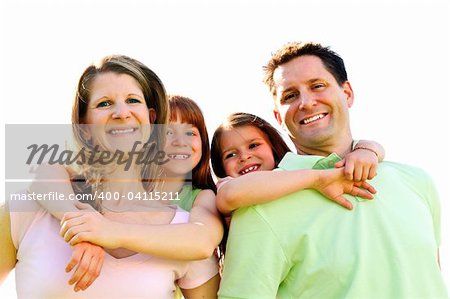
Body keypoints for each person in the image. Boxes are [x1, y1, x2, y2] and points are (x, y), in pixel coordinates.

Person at [217, 42, 448, 298]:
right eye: (290, 95)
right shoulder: (259, 206)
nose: (306, 102)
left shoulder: (416, 182)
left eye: (317, 86)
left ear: (347, 93)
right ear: (279, 117)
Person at [0, 56, 220, 299]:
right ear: (85, 126)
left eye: (132, 100)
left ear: (151, 119)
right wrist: (81, 228)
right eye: (104, 104)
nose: (121, 112)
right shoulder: (29, 209)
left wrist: (106, 231)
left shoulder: (182, 232)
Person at [211, 112, 383, 215]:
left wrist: (367, 150)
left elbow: (369, 146)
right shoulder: (228, 185)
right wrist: (317, 179)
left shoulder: (296, 172)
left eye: (253, 145)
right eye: (231, 154)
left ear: (273, 146)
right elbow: (231, 194)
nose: (244, 157)